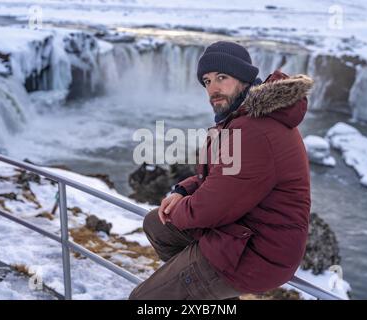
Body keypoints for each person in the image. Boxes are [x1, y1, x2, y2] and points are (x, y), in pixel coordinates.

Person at [129, 41, 313, 300]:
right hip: (239, 231)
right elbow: (221, 175)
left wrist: (178, 209)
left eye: (221, 77)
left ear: (245, 78)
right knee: (156, 223)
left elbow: (210, 208)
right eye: (206, 81)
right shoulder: (242, 118)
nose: (212, 89)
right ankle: (205, 292)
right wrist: (183, 190)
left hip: (258, 253)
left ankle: (199, 285)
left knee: (145, 301)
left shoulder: (255, 130)